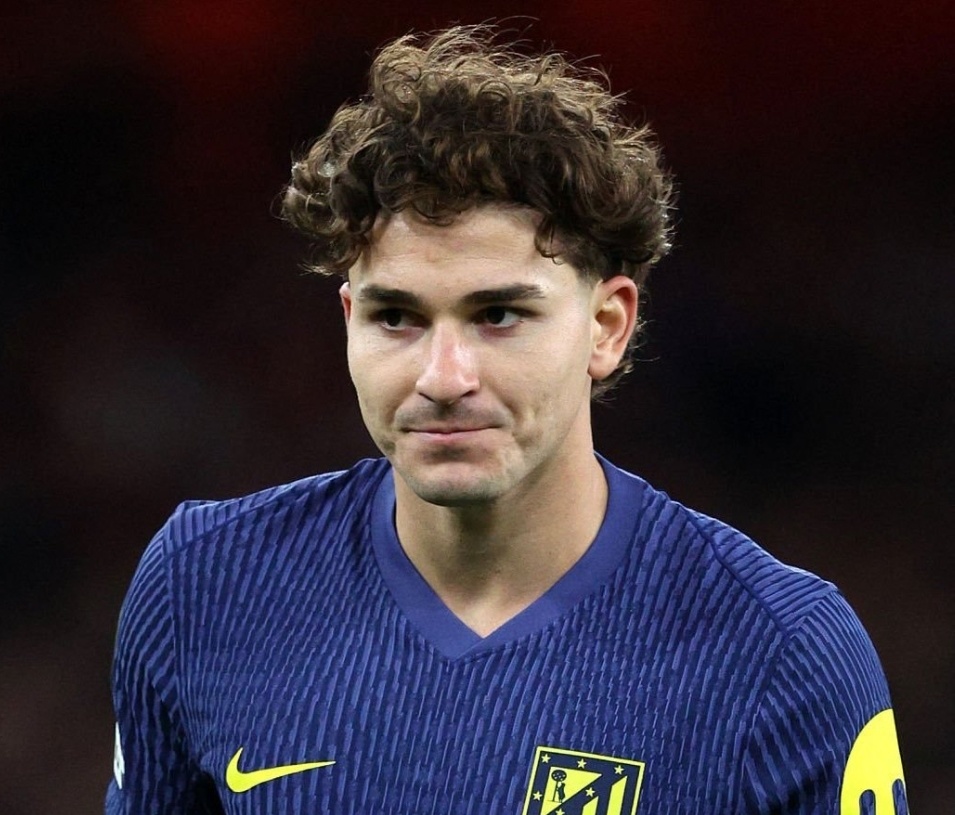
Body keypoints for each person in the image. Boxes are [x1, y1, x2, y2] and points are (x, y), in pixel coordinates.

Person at [106, 25, 909, 815]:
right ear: (349, 319)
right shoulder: (203, 584)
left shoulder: (780, 651)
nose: (442, 377)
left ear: (606, 327)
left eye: (497, 314)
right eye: (396, 317)